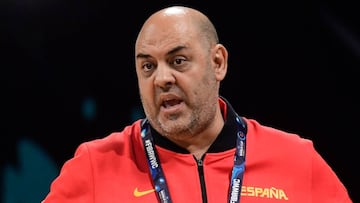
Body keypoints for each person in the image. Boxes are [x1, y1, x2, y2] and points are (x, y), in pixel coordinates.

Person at [41, 5, 352, 203]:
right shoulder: (95, 165)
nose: (162, 78)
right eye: (147, 66)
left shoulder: (296, 160)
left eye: (178, 61)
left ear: (218, 62)